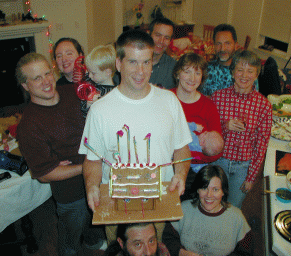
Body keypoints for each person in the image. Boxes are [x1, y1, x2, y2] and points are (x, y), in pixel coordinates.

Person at [79, 29, 192, 213]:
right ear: (118, 63)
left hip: (161, 198)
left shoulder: (170, 101)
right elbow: (92, 160)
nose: (140, 71)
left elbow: (181, 148)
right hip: (116, 203)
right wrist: (91, 186)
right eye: (132, 62)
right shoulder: (99, 110)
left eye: (146, 62)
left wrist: (180, 174)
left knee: (157, 242)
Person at [16, 53, 106, 256]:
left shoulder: (72, 92)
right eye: (36, 78)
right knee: (70, 239)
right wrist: (87, 166)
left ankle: (94, 244)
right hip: (71, 194)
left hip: (101, 181)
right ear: (25, 85)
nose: (46, 81)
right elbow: (44, 174)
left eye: (47, 73)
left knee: (96, 225)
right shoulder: (29, 126)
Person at [211, 50, 272, 208]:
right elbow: (209, 133)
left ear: (256, 75)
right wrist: (225, 126)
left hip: (243, 168)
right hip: (219, 162)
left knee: (232, 208)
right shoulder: (218, 97)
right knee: (213, 203)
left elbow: (261, 145)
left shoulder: (264, 105)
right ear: (232, 73)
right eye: (239, 69)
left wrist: (251, 177)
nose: (244, 75)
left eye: (250, 71)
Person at [162, 165, 253, 256]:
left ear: (223, 192)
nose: (209, 195)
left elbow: (246, 252)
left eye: (215, 189)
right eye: (204, 188)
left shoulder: (236, 217)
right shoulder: (183, 209)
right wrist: (181, 252)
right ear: (197, 190)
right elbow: (167, 238)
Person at [171, 52, 224, 200]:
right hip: (167, 167)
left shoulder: (208, 106)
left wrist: (189, 157)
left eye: (197, 73)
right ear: (177, 73)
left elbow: (217, 150)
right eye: (187, 71)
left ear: (202, 77)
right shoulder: (166, 98)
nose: (192, 78)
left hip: (196, 171)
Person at [113, 18, 176, 89]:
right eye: (158, 35)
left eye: (166, 38)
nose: (161, 41)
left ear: (170, 41)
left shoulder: (173, 68)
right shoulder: (126, 62)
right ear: (149, 34)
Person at [199, 24, 257, 96]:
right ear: (214, 46)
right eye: (218, 43)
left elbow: (253, 101)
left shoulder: (246, 73)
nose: (222, 48)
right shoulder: (206, 70)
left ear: (236, 46)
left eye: (227, 43)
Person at [80, 44, 117, 117]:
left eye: (93, 73)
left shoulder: (113, 94)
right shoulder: (92, 82)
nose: (90, 75)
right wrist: (88, 105)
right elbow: (84, 115)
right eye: (88, 71)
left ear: (107, 72)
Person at [104, 223, 170, 256]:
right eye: (138, 244)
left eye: (151, 241)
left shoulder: (162, 250)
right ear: (121, 243)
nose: (148, 252)